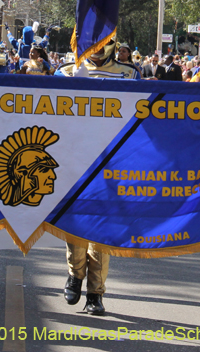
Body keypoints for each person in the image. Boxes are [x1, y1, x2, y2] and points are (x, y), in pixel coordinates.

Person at [55, 39, 140, 316]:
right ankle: (75, 272)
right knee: (75, 222)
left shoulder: (129, 74)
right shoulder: (65, 71)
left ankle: (96, 293)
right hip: (73, 158)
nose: (97, 46)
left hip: (111, 162)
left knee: (102, 230)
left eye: (103, 40)